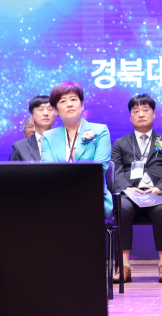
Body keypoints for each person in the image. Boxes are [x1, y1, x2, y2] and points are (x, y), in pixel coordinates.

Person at [111, 94, 162, 284]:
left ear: (154, 114)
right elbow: (115, 171)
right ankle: (124, 266)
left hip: (158, 193)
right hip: (131, 194)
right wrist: (126, 188)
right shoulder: (120, 143)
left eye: (145, 110)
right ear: (130, 116)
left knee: (159, 209)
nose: (141, 114)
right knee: (122, 208)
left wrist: (159, 189)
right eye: (136, 111)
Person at [40, 82, 113, 220]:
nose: (69, 104)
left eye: (73, 99)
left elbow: (100, 168)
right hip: (59, 196)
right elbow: (48, 170)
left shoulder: (100, 131)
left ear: (82, 105)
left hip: (92, 195)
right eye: (63, 101)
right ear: (55, 110)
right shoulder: (48, 137)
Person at [10, 96, 56, 161]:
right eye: (41, 109)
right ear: (32, 116)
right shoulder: (20, 147)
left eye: (50, 109)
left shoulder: (64, 141)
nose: (46, 113)